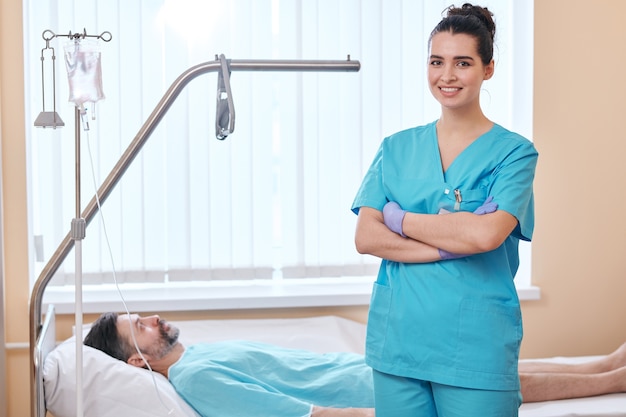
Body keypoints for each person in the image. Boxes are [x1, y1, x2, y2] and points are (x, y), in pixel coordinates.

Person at [351, 3, 538, 416]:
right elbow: (366, 238)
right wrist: (449, 242)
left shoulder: (514, 154)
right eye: (437, 61)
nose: (447, 76)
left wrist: (400, 220)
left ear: (488, 69)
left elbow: (485, 236)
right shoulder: (395, 148)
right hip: (398, 345)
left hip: (475, 347)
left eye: (463, 63)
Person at [83, 312, 375, 417]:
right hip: (378, 393)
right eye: (141, 326)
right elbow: (305, 415)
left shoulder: (195, 355)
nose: (154, 318)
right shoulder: (195, 378)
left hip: (367, 370)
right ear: (137, 360)